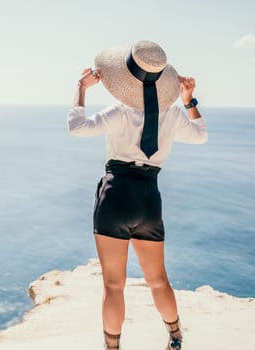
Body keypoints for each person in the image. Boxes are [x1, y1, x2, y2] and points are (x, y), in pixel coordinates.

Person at [67, 40, 208, 350]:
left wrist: (81, 88)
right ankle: (175, 337)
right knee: (158, 280)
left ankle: (113, 347)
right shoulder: (171, 115)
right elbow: (201, 136)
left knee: (114, 285)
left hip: (116, 195)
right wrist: (188, 99)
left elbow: (77, 127)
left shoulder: (119, 111)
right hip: (149, 198)